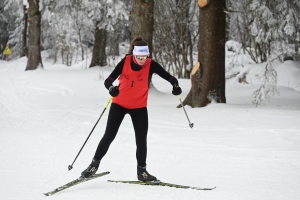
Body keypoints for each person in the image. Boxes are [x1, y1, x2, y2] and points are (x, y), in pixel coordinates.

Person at [81, 36, 182, 182]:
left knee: (141, 140)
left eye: (145, 56)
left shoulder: (150, 64)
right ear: (134, 54)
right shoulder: (125, 62)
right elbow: (108, 80)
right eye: (139, 56)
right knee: (109, 136)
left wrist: (176, 86)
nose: (142, 60)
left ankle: (142, 172)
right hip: (119, 104)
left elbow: (170, 78)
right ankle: (93, 166)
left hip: (139, 107)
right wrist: (111, 89)